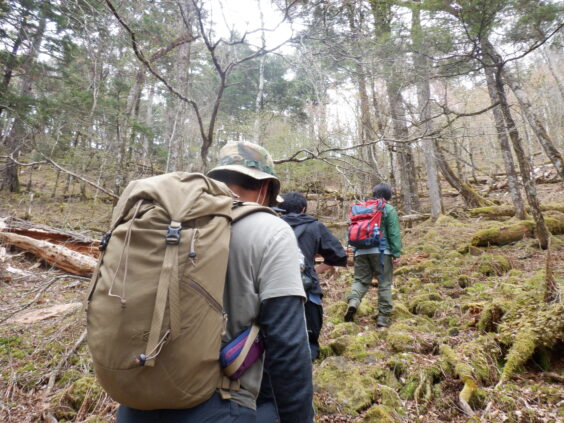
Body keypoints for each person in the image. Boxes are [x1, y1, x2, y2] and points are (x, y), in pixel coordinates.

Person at [117, 141, 314, 423]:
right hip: (221, 405)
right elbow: (288, 343)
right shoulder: (271, 230)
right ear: (265, 188)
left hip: (136, 399)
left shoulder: (164, 221)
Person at [344, 183, 402, 328]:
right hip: (382, 251)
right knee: (384, 283)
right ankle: (383, 317)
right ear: (388, 195)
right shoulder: (387, 209)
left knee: (360, 280)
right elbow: (393, 233)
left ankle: (353, 301)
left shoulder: (361, 208)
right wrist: (396, 252)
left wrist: (355, 250)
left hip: (360, 251)